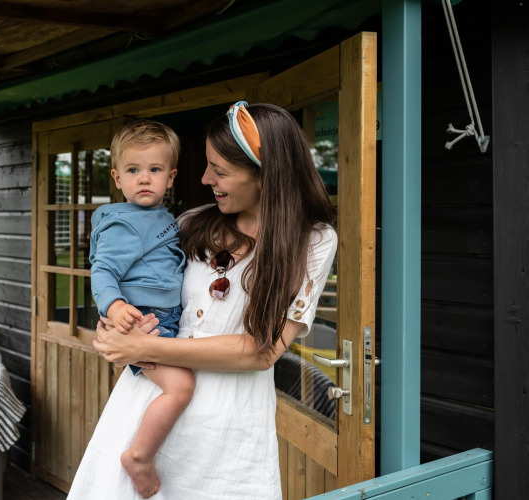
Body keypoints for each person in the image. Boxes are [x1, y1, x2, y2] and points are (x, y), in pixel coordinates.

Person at [67, 102, 337, 499]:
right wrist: (116, 326)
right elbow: (130, 288)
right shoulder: (190, 224)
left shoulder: (313, 241)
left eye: (220, 170)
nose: (205, 176)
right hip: (148, 408)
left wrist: (143, 345)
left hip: (228, 423)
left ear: (268, 175)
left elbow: (261, 351)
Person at [89, 120, 193, 498]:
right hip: (143, 320)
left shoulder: (162, 218)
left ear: (171, 177)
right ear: (117, 178)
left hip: (161, 316)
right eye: (133, 170)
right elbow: (103, 271)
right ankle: (140, 457)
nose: (144, 178)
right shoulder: (124, 224)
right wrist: (115, 306)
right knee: (180, 388)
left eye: (155, 169)